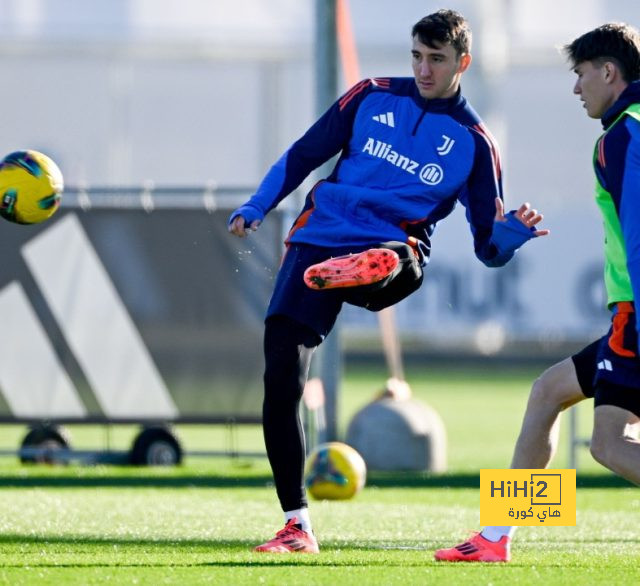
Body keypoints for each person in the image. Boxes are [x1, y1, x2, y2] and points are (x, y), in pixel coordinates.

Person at [229, 9, 548, 554]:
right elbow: (305, 153)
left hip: (396, 252)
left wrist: (509, 237)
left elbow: (486, 247)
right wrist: (259, 204)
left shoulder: (474, 142)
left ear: (462, 63)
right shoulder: (370, 94)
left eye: (437, 60)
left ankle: (371, 267)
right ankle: (296, 525)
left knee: (398, 258)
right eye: (417, 57)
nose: (424, 70)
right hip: (319, 239)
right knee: (281, 373)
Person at [435, 22, 640, 563]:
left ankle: (499, 536)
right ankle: (499, 537)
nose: (576, 89)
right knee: (547, 393)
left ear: (608, 72)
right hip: (631, 315)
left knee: (608, 445)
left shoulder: (621, 137)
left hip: (636, 316)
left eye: (580, 75)